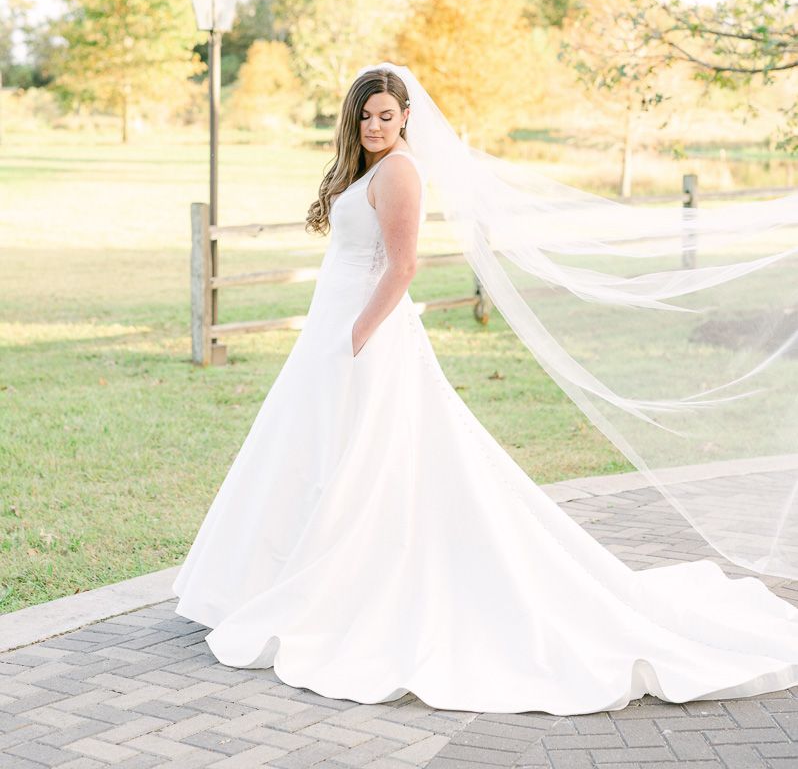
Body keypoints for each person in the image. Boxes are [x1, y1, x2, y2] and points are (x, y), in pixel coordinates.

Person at [173, 63, 798, 715]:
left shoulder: (400, 171)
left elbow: (403, 267)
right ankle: (282, 575)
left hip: (365, 337)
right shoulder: (367, 169)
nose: (375, 126)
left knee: (364, 459)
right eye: (365, 116)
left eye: (386, 115)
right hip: (333, 335)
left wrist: (355, 337)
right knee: (316, 452)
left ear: (406, 116)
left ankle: (339, 582)